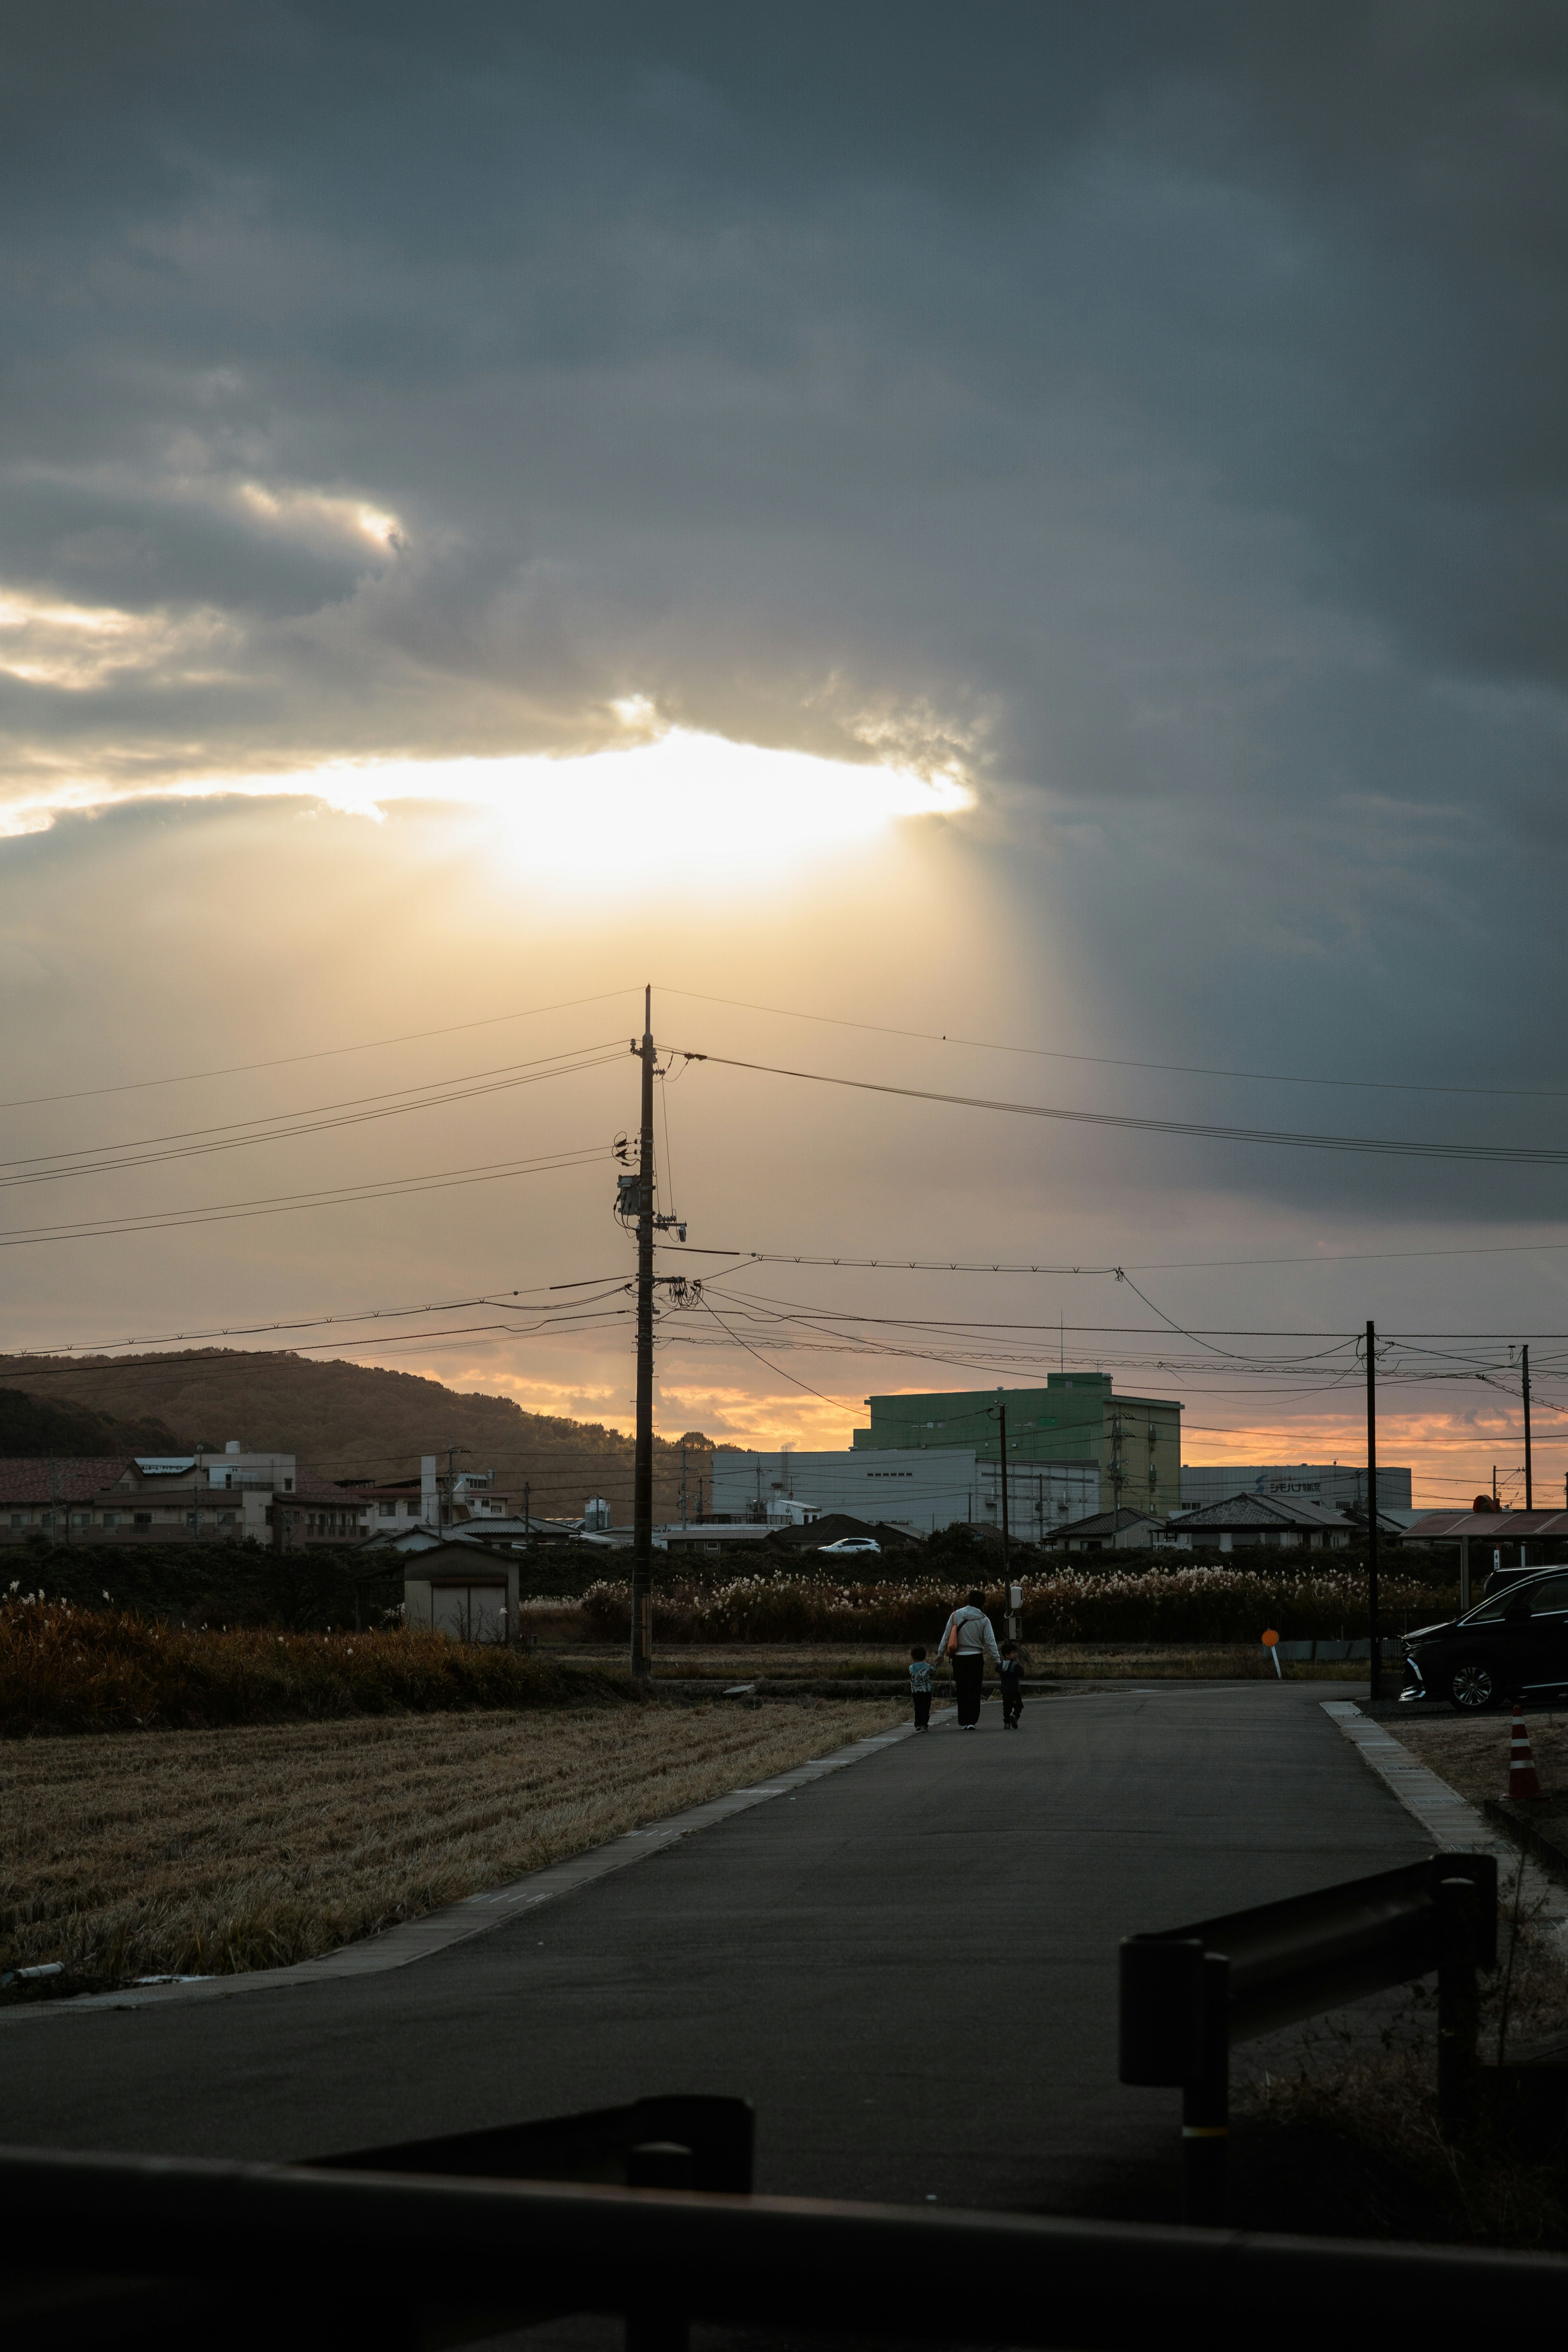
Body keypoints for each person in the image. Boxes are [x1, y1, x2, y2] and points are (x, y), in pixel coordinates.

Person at [934, 1588, 1001, 1729]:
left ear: (968, 1600)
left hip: (959, 1659)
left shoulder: (955, 1616)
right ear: (982, 1604)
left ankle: (963, 1720)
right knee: (975, 1690)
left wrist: (940, 1655)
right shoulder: (984, 1619)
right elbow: (990, 1641)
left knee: (962, 1689)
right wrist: (997, 1660)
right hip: (976, 1658)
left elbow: (946, 1637)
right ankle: (972, 1722)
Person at [998, 1640, 1023, 1730]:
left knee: (1007, 1707)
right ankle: (1014, 1716)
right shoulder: (1015, 1665)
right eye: (1014, 1653)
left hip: (1005, 1691)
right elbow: (1021, 1673)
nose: (1016, 1654)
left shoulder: (1001, 1666)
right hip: (1014, 1691)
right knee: (1019, 1706)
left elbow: (998, 1670)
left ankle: (1007, 1723)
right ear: (1007, 1655)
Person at [909, 1645, 933, 1731]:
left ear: (913, 1657)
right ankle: (924, 1725)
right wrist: (937, 1665)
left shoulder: (911, 1668)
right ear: (925, 1657)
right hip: (926, 1691)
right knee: (926, 1708)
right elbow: (932, 1671)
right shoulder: (927, 1667)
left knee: (918, 1708)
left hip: (916, 1692)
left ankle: (918, 1725)